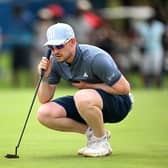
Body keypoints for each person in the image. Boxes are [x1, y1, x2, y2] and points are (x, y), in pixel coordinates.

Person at [37, 23, 134, 157]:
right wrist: (45, 77)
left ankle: (101, 144)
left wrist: (89, 86)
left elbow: (124, 88)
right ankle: (95, 134)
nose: (55, 51)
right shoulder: (55, 62)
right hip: (87, 101)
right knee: (44, 113)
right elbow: (44, 99)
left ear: (72, 42)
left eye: (59, 46)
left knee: (82, 96)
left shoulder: (95, 58)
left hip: (119, 103)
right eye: (51, 47)